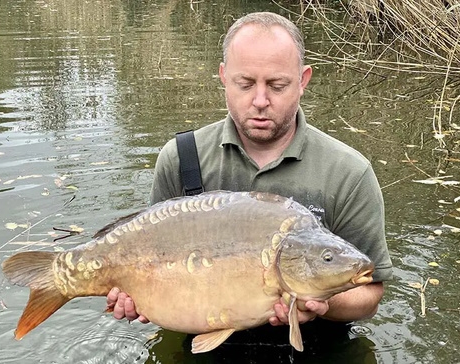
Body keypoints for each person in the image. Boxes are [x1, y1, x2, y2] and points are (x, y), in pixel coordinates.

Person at [107, 11, 392, 335]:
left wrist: (324, 303)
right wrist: (137, 294)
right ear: (224, 77)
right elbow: (147, 255)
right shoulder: (182, 158)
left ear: (303, 81)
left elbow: (370, 292)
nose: (260, 101)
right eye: (245, 84)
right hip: (202, 340)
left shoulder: (348, 173)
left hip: (318, 347)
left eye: (277, 85)